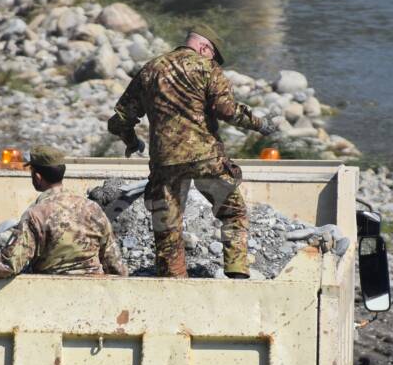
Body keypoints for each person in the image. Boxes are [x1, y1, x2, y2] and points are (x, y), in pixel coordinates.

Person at [106, 23, 277, 278]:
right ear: (204, 46)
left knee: (167, 226)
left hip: (165, 162)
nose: (212, 59)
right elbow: (227, 110)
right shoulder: (208, 68)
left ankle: (174, 283)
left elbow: (120, 118)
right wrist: (260, 124)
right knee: (233, 212)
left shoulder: (151, 69)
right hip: (205, 158)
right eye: (212, 55)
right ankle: (237, 271)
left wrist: (132, 141)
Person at [0, 145, 127, 285]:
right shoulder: (93, 209)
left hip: (53, 292)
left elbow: (10, 264)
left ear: (37, 177)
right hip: (95, 292)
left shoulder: (36, 214)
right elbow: (115, 264)